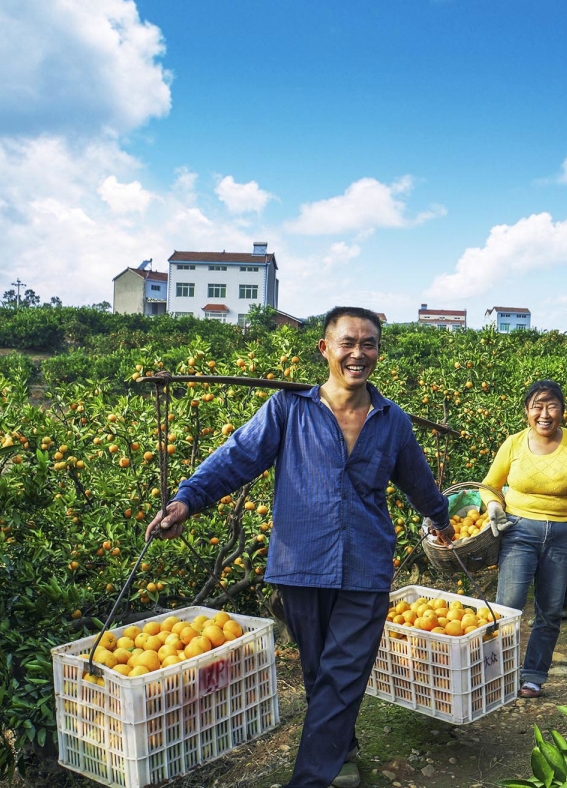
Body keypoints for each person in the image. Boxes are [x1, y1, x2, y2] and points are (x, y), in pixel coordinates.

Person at [147, 307, 452, 788]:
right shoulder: (288, 409)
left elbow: (418, 481)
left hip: (366, 565)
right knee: (318, 671)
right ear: (325, 348)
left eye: (369, 344)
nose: (358, 353)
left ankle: (310, 779)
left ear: (378, 352)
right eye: (348, 342)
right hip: (301, 564)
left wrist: (440, 517)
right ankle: (342, 749)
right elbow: (237, 457)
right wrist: (188, 500)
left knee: (344, 672)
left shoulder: (393, 421)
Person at [480, 380, 567, 699]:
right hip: (520, 531)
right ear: (527, 411)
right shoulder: (513, 444)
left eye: (552, 406)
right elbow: (488, 485)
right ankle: (496, 673)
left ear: (562, 411)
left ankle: (534, 675)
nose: (545, 413)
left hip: (563, 534)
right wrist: (494, 506)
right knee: (508, 607)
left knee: (550, 610)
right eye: (537, 406)